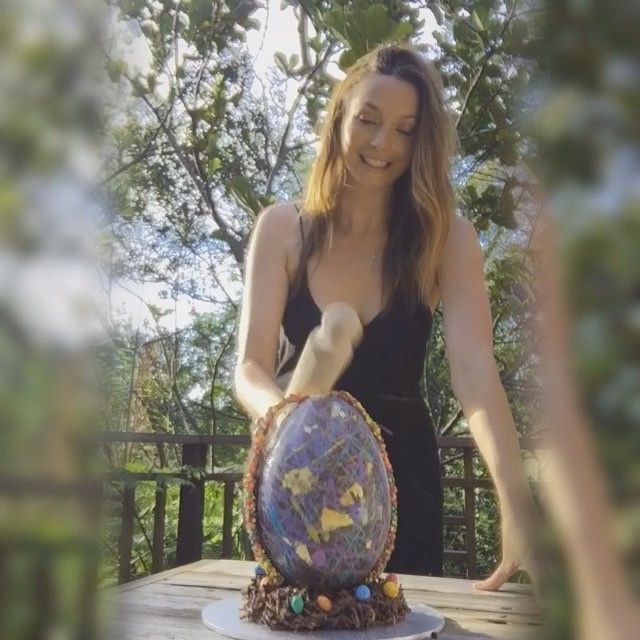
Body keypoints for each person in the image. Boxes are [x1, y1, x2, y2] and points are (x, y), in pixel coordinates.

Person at [234, 43, 539, 586]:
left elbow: (475, 372)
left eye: (405, 130)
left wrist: (517, 505)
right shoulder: (281, 229)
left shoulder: (447, 241)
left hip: (401, 493)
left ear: (422, 141)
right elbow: (249, 369)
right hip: (294, 487)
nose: (382, 143)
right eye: (368, 120)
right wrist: (286, 423)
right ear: (339, 118)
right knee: (291, 619)